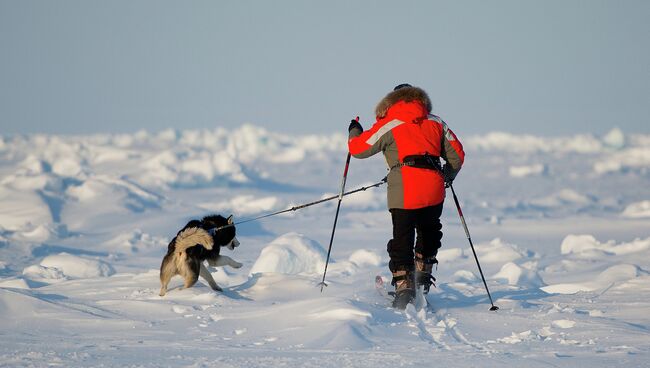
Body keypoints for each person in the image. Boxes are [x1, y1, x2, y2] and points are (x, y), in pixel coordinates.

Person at [347, 84, 465, 309]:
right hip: (433, 188)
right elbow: (457, 156)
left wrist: (354, 129)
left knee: (402, 236)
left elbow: (358, 149)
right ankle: (422, 276)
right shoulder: (436, 122)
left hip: (403, 191)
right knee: (429, 230)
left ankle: (404, 286)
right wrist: (446, 178)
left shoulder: (389, 124)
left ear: (391, 102)